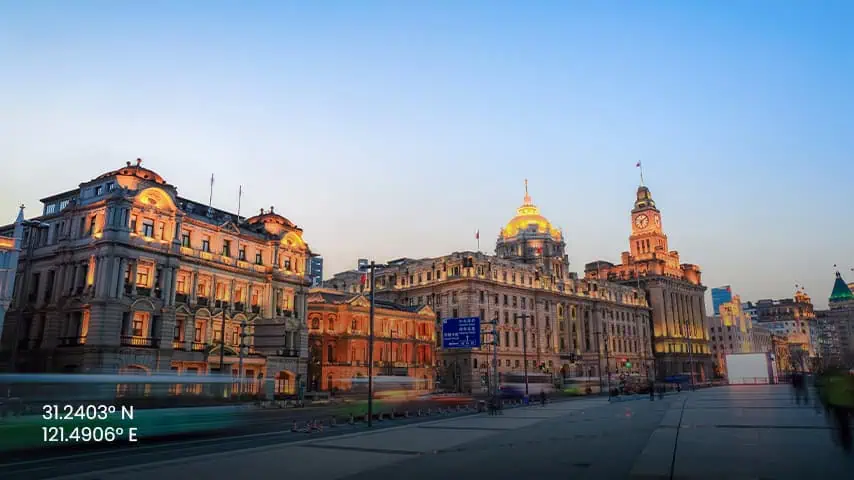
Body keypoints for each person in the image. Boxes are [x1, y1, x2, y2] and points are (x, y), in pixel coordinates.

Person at [824, 366, 854, 452]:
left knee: (843, 425)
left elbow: (827, 391)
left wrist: (827, 404)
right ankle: (846, 440)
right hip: (849, 403)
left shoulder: (831, 379)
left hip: (837, 405)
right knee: (845, 424)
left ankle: (846, 442)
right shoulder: (849, 378)